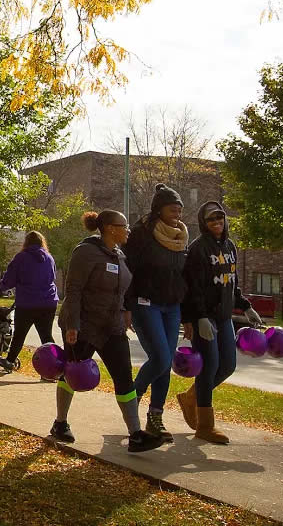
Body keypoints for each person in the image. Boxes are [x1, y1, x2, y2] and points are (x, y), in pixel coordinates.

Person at [52, 210, 164, 453]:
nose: (128, 230)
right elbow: (74, 290)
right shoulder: (86, 252)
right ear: (111, 228)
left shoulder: (119, 255)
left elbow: (119, 290)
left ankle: (135, 435)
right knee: (73, 374)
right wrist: (72, 325)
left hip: (112, 327)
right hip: (85, 325)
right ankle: (60, 423)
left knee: (124, 378)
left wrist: (125, 310)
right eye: (124, 226)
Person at [179, 201, 262, 444]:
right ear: (204, 224)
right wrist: (199, 317)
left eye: (220, 218)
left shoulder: (230, 246)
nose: (216, 223)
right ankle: (205, 426)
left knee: (227, 366)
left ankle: (191, 397)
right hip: (204, 317)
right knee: (210, 366)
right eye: (211, 220)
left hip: (224, 317)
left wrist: (246, 306)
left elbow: (230, 283)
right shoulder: (198, 249)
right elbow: (193, 288)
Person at [123, 184, 190, 444]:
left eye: (180, 208)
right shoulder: (141, 233)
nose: (177, 211)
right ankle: (132, 399)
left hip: (172, 306)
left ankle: (155, 418)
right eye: (172, 207)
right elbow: (128, 272)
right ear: (158, 208)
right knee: (161, 358)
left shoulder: (180, 236)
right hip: (145, 303)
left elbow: (184, 275)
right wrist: (126, 307)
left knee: (165, 364)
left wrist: (187, 313)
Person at [0, 230, 58, 374]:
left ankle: (10, 360)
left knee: (20, 333)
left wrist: (2, 287)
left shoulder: (21, 258)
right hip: (48, 301)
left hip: (27, 302)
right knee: (46, 335)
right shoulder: (49, 258)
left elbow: (10, 277)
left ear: (26, 243)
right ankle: (56, 365)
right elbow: (53, 276)